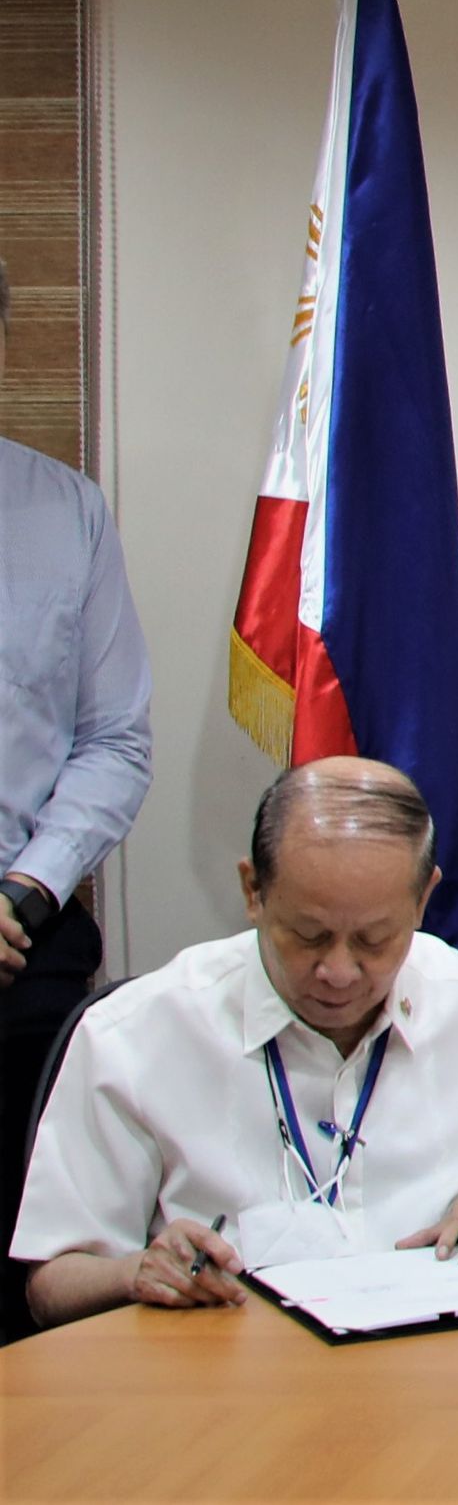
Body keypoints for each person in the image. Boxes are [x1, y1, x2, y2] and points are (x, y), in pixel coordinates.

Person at [11, 757, 458, 1328]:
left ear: (423, 899)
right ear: (253, 891)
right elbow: (52, 1285)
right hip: (220, 1374)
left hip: (442, 1369)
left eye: (374, 939)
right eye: (309, 935)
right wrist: (137, 1273)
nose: (338, 972)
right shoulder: (134, 1033)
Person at [0, 255, 154, 1342]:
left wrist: (24, 892)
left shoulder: (65, 512)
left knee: (27, 1270)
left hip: (21, 940)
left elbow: (113, 741)